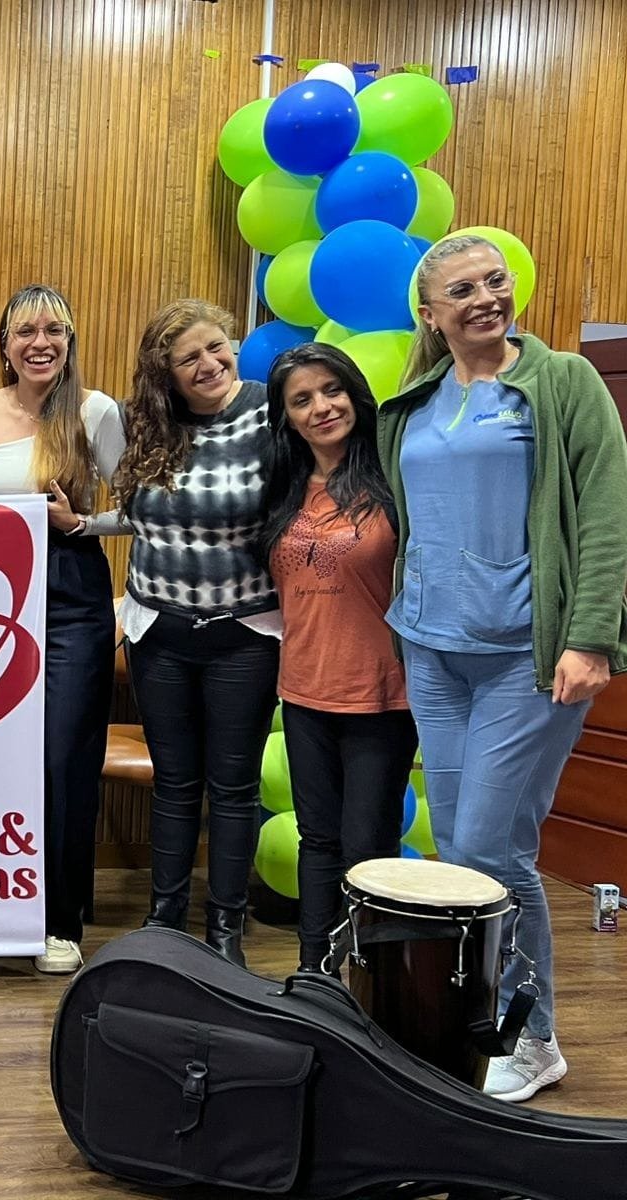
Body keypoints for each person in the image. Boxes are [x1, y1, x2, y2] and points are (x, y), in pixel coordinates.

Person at [380, 233, 627, 1103]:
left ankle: (535, 1035)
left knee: (492, 847)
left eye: (495, 280)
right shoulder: (413, 400)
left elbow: (605, 511)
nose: (485, 296)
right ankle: (478, 1027)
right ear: (430, 313)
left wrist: (592, 635)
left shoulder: (563, 381)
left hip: (528, 654)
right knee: (462, 850)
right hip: (434, 650)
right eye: (462, 289)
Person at [111, 299, 281, 968]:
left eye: (218, 347)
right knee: (177, 784)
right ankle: (164, 920)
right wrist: (82, 524)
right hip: (160, 631)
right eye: (190, 358)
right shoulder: (149, 426)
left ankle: (225, 931)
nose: (210, 364)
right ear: (168, 375)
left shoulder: (272, 411)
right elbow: (137, 518)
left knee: (233, 788)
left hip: (245, 633)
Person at [0, 284, 123, 975]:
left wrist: (83, 524)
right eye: (25, 331)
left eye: (54, 330)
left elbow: (149, 508)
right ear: (5, 344)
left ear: (70, 339)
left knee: (62, 759)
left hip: (69, 597)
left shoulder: (95, 410)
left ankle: (59, 919)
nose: (40, 343)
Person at [261, 343, 415, 974]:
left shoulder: (394, 476)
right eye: (302, 399)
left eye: (332, 391)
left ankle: (373, 984)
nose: (321, 407)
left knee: (368, 848)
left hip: (382, 692)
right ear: (288, 417)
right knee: (317, 842)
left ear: (355, 394)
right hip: (302, 691)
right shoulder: (283, 487)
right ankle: (315, 975)